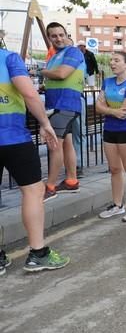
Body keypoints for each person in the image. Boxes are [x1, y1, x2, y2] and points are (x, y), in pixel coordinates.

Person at [0, 46, 69, 273]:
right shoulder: (9, 58)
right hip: (12, 138)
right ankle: (38, 253)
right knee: (32, 191)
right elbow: (30, 94)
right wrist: (45, 123)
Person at [37, 22, 86, 201]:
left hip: (65, 104)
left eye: (61, 34)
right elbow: (56, 77)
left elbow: (62, 74)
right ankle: (71, 181)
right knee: (67, 144)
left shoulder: (73, 52)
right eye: (54, 36)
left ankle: (50, 187)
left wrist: (43, 72)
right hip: (58, 104)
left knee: (54, 145)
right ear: (49, 38)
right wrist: (45, 84)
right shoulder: (55, 56)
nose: (58, 38)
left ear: (66, 34)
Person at [95, 52, 126, 222]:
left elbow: (123, 113)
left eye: (117, 60)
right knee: (114, 169)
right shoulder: (107, 82)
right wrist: (112, 111)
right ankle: (117, 205)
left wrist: (107, 109)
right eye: (111, 60)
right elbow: (97, 107)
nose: (112, 63)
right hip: (109, 130)